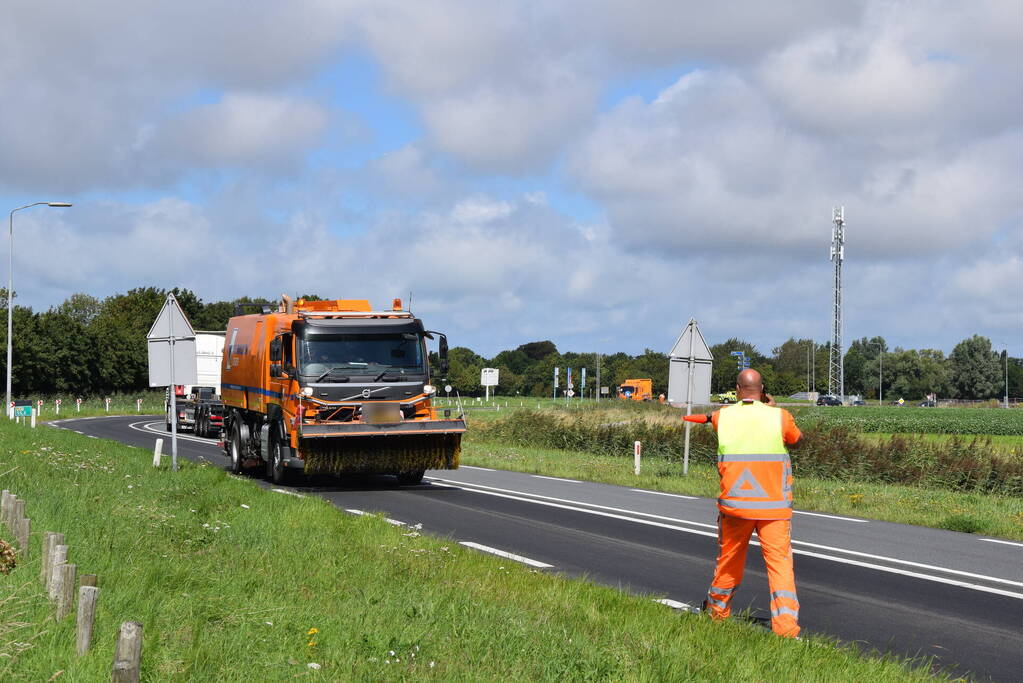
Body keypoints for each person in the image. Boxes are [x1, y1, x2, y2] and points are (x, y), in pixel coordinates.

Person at [695, 369, 802, 638]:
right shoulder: (779, 416)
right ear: (763, 390)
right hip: (774, 508)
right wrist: (771, 409)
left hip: (736, 506)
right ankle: (786, 628)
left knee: (729, 562)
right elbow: (797, 441)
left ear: (737, 389)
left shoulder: (723, 416)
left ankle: (716, 614)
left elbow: (718, 418)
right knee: (779, 566)